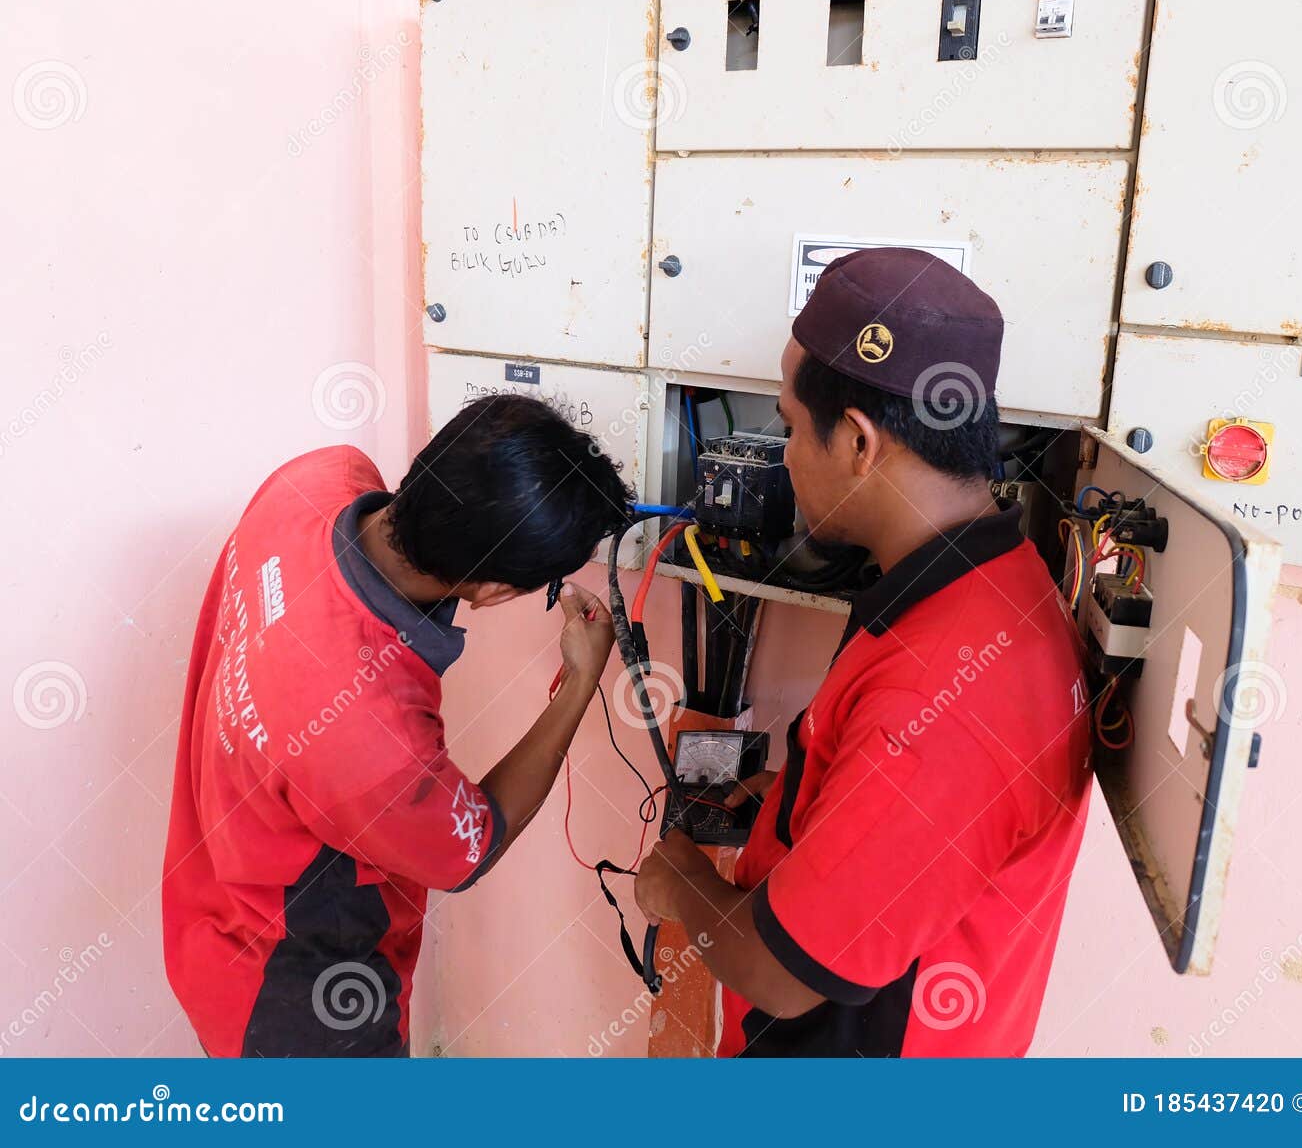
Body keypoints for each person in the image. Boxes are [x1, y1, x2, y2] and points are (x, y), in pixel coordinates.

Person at [634, 248, 1094, 1056]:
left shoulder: (940, 697)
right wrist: (790, 801)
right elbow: (905, 830)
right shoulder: (994, 582)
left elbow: (781, 972)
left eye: (785, 426)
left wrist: (683, 884)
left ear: (856, 441)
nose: (782, 454)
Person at [162, 393, 632, 1056]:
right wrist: (579, 682)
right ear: (494, 592)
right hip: (298, 1005)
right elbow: (473, 840)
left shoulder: (312, 480)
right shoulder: (367, 737)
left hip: (209, 908)